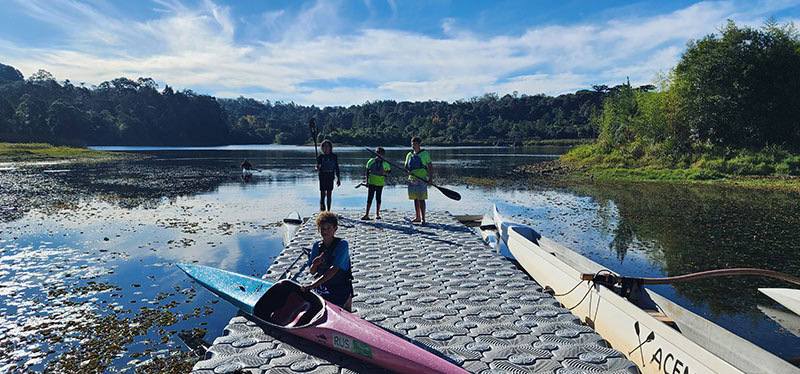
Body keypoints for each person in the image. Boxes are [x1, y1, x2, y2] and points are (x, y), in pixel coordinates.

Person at [300, 211, 353, 312]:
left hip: (340, 286)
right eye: (322, 228)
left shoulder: (342, 244)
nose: (325, 231)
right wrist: (314, 264)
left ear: (335, 229)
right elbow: (312, 272)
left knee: (345, 312)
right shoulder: (316, 246)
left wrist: (312, 285)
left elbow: (334, 269)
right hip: (323, 287)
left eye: (328, 228)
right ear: (318, 229)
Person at [404, 136, 433, 224]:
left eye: (415, 144)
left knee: (422, 199)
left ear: (419, 144)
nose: (413, 146)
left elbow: (430, 166)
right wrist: (408, 171)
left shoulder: (425, 153)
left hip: (422, 179)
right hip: (412, 179)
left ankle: (423, 218)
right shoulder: (409, 154)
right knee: (415, 199)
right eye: (412, 144)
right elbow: (406, 166)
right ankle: (418, 217)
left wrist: (430, 179)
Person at [362, 147, 391, 220]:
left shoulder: (385, 163)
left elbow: (389, 172)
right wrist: (367, 182)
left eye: (381, 154)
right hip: (372, 182)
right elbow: (367, 172)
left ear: (383, 155)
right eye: (378, 154)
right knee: (370, 198)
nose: (379, 155)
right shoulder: (371, 161)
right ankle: (367, 214)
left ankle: (377, 214)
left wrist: (384, 172)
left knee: (378, 198)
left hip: (380, 183)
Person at [316, 140, 341, 211]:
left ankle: (328, 210)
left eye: (327, 146)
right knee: (322, 194)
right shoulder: (320, 156)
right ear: (322, 148)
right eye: (324, 146)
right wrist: (317, 167)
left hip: (330, 175)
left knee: (329, 194)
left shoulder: (334, 156)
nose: (326, 148)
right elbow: (317, 166)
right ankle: (322, 210)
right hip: (322, 175)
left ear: (330, 147)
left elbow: (336, 167)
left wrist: (338, 178)